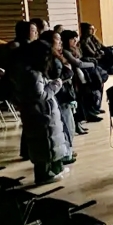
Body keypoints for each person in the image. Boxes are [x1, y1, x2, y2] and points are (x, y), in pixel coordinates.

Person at [17, 40, 69, 185]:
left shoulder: (31, 71)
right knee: (44, 144)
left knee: (50, 143)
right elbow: (40, 95)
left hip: (41, 113)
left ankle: (53, 170)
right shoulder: (33, 74)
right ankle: (43, 176)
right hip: (40, 114)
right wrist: (57, 83)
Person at [40, 30, 77, 165]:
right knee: (66, 126)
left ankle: (67, 151)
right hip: (59, 96)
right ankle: (65, 154)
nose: (60, 42)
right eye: (57, 39)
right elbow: (58, 77)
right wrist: (68, 71)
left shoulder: (56, 56)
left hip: (62, 95)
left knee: (67, 126)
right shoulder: (51, 59)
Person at [62, 30, 104, 125]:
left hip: (81, 76)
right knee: (81, 97)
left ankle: (89, 113)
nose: (74, 40)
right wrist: (92, 64)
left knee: (85, 96)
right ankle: (84, 116)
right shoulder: (66, 51)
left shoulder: (74, 48)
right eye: (72, 39)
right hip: (76, 77)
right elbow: (78, 63)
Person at [8, 21, 36, 160]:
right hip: (23, 89)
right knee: (31, 120)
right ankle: (28, 150)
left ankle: (27, 151)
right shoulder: (19, 47)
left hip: (22, 89)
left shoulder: (25, 46)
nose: (35, 33)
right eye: (33, 30)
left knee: (29, 121)